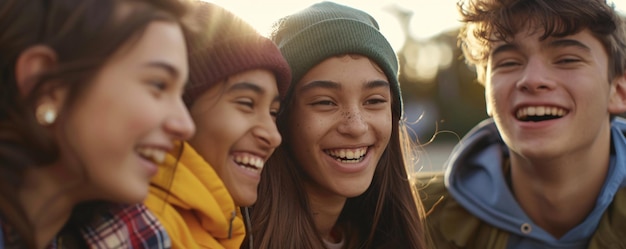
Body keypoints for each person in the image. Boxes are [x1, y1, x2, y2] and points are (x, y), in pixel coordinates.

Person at [417, 0, 626, 248]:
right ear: (487, 94)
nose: (532, 79)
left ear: (619, 92)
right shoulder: (414, 215)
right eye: (509, 63)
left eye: (567, 59)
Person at [0, 0, 195, 248]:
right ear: (48, 85)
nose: (186, 126)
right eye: (158, 85)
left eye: (181, 94)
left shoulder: (135, 237)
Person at [244, 2, 428, 248]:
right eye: (325, 102)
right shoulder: (233, 236)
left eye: (374, 101)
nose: (356, 126)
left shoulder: (393, 234)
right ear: (281, 117)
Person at [143, 2, 291, 249]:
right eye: (246, 103)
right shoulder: (149, 230)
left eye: (273, 112)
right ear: (178, 107)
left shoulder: (220, 226)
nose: (273, 136)